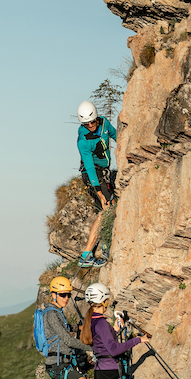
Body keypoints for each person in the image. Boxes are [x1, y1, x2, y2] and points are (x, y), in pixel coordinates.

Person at [76, 100, 118, 268]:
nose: (91, 125)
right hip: (91, 173)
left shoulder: (104, 123)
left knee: (105, 210)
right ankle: (88, 254)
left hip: (104, 171)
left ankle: (101, 248)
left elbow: (116, 135)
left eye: (93, 121)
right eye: (87, 124)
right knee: (108, 207)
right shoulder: (83, 140)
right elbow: (90, 168)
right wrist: (99, 193)